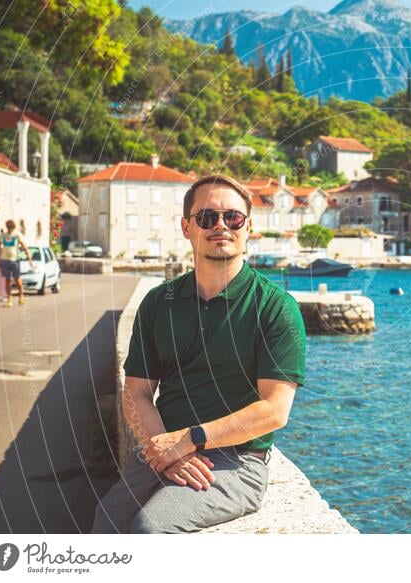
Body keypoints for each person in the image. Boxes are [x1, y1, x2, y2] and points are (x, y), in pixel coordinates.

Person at [91, 175, 306, 534]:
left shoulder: (275, 307)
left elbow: (274, 410)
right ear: (186, 227)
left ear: (248, 227)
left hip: (237, 460)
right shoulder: (160, 302)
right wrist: (165, 448)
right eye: (207, 217)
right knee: (106, 522)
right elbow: (137, 392)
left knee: (150, 529)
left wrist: (189, 440)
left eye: (233, 217)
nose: (221, 225)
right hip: (165, 442)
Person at [0, 220, 33, 307]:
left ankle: (21, 296)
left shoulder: (17, 235)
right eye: (8, 227)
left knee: (17, 279)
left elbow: (23, 245)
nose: (10, 229)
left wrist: (29, 257)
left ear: (14, 227)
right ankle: (9, 300)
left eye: (11, 227)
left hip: (14, 260)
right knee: (7, 280)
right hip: (4, 260)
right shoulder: (3, 235)